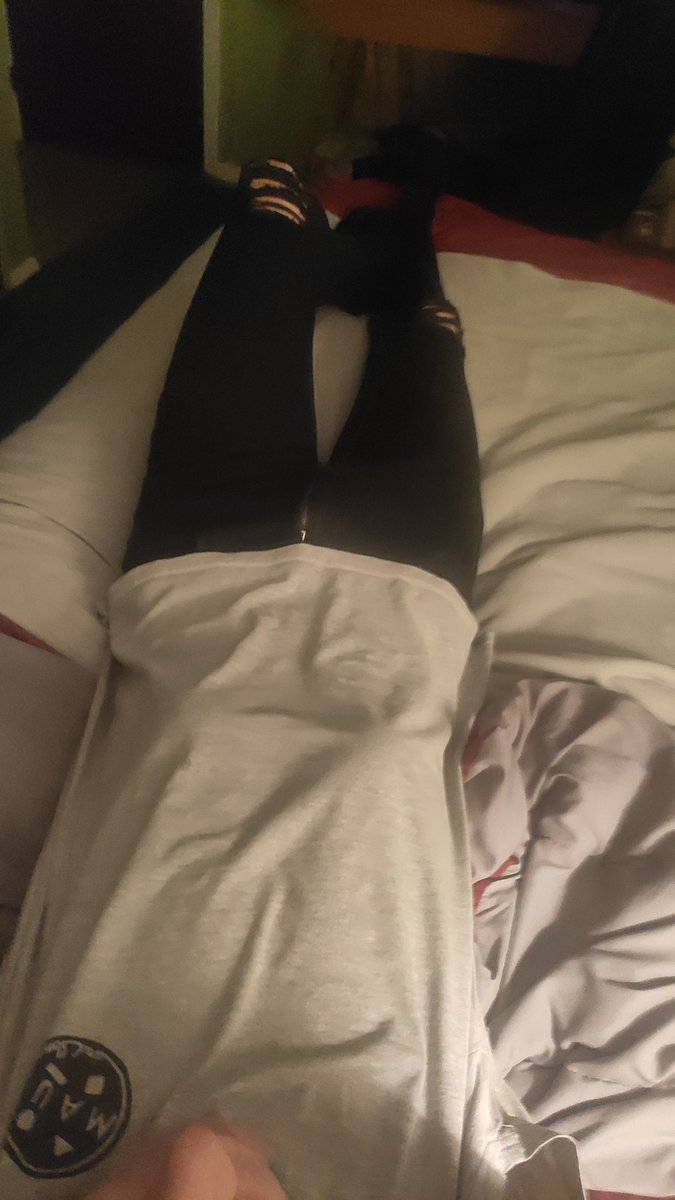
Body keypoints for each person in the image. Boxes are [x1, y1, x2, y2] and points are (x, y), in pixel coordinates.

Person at [0, 162, 584, 1199]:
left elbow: (202, 1160)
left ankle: (334, 212)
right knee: (420, 311)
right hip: (404, 610)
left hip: (194, 585)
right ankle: (404, 204)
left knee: (269, 207)